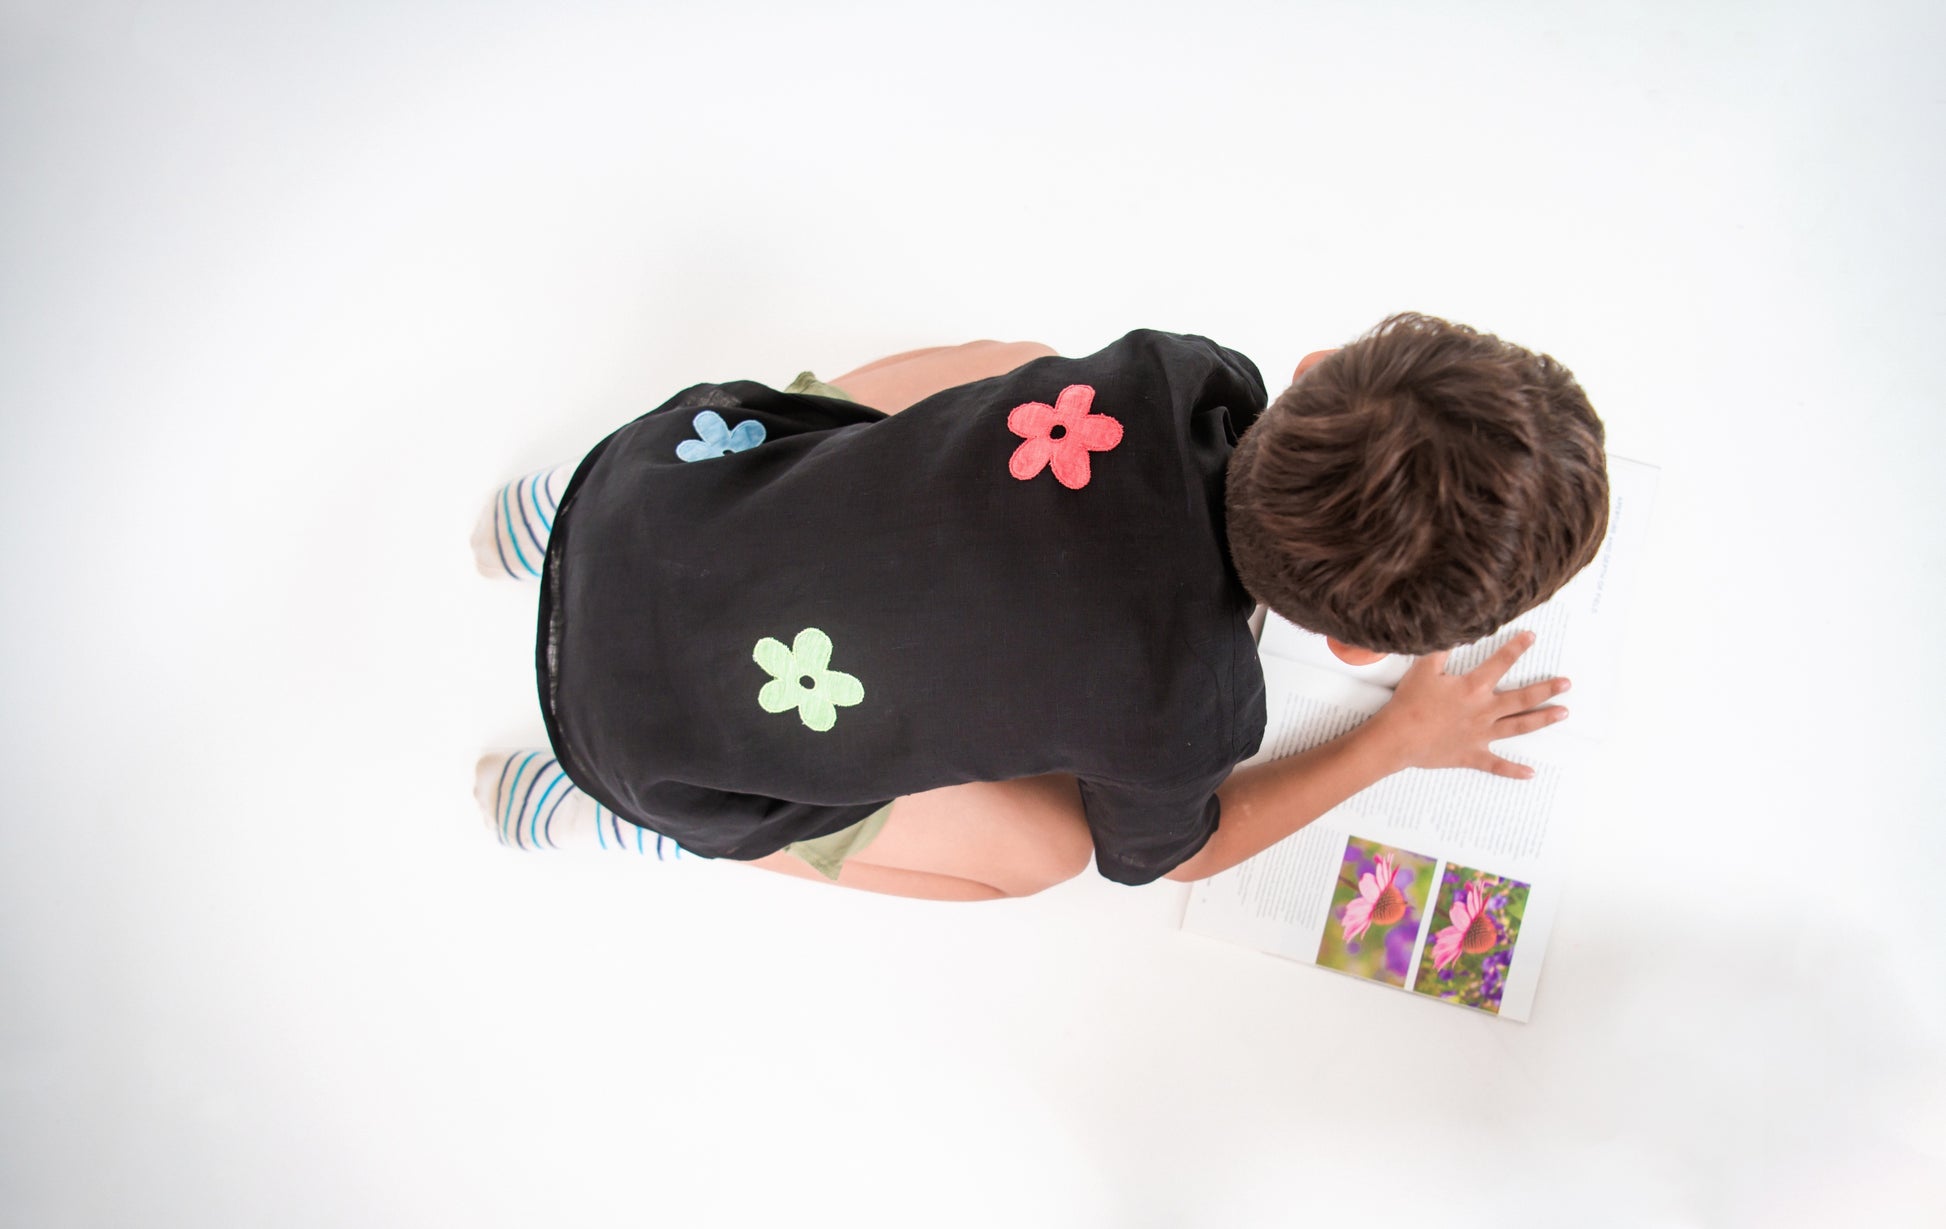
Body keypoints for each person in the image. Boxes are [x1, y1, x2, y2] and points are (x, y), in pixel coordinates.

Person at [470, 314, 1609, 903]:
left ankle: (537, 530)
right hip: (660, 760)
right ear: (1355, 640)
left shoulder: (1175, 375)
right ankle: (645, 828)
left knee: (1014, 367)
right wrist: (1394, 739)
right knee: (1048, 857)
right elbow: (1176, 857)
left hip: (645, 489)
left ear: (1312, 370)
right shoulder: (1185, 716)